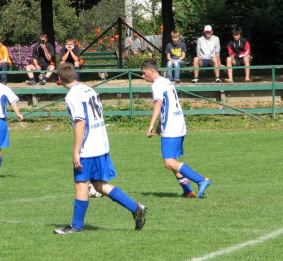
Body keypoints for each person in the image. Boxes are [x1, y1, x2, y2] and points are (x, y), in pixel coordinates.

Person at [53, 62, 146, 234]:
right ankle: (135, 208)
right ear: (75, 75)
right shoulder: (89, 89)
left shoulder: (72, 96)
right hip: (101, 143)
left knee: (81, 184)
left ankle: (76, 226)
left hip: (88, 147)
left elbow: (80, 123)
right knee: (98, 184)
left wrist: (76, 151)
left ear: (59, 80)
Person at [141, 59, 211, 199]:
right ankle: (187, 191)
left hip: (172, 126)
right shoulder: (166, 81)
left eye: (144, 73)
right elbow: (169, 104)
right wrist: (160, 124)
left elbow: (159, 104)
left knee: (169, 162)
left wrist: (151, 125)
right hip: (178, 123)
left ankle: (201, 180)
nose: (143, 76)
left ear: (152, 71)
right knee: (172, 161)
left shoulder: (157, 85)